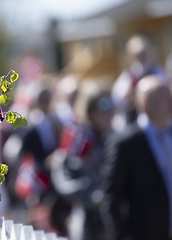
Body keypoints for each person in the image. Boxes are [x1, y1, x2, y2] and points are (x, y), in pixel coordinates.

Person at [102, 75, 172, 240]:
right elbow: (112, 196)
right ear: (146, 103)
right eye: (163, 97)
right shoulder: (126, 143)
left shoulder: (169, 134)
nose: (169, 101)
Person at [50, 80, 114, 240]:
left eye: (112, 102)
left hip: (113, 220)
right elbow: (65, 179)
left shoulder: (113, 137)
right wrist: (98, 196)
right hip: (89, 224)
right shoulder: (78, 139)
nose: (112, 109)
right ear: (91, 111)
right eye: (106, 104)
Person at [111, 35, 168, 132]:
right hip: (137, 125)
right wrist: (129, 99)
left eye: (144, 53)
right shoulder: (127, 78)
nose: (143, 58)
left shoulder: (159, 72)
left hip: (161, 122)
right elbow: (117, 100)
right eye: (139, 55)